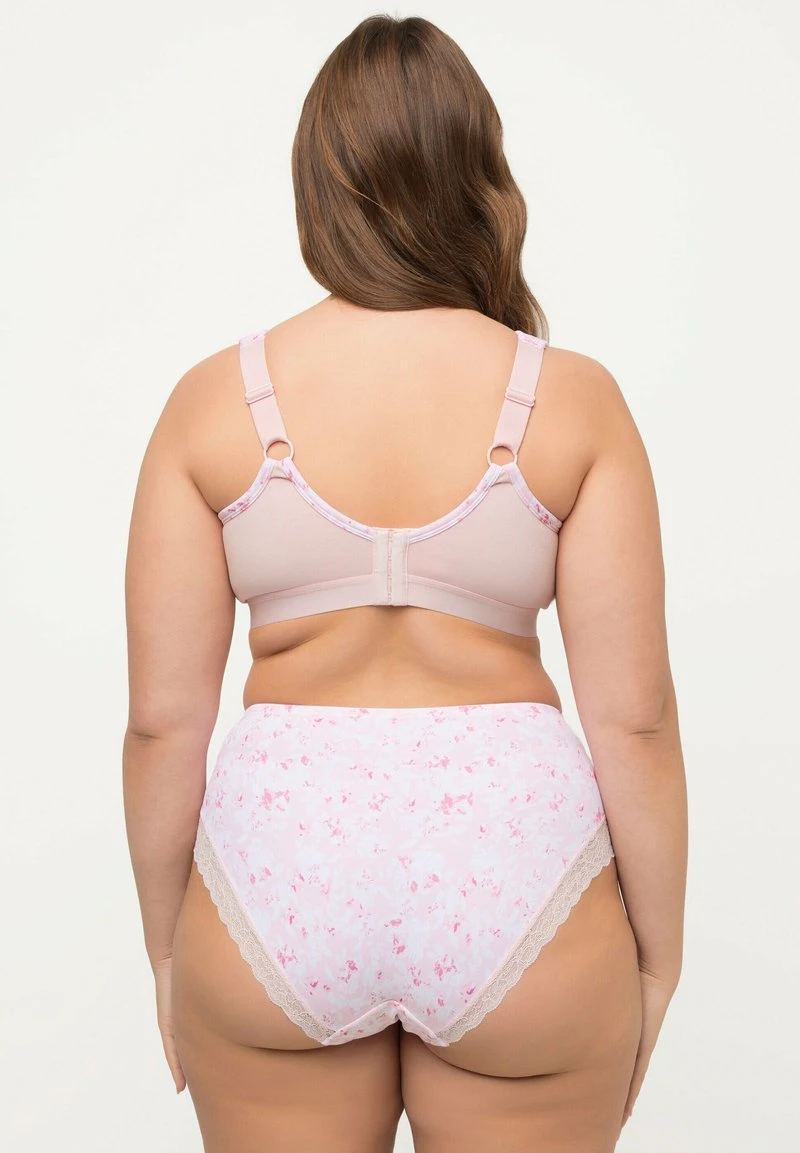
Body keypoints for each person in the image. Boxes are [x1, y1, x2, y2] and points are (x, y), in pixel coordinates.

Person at [123, 13, 687, 1153]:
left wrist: (170, 947)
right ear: (481, 178)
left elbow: (160, 724)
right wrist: (657, 959)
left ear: (316, 186)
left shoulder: (212, 405)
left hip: (280, 875)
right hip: (516, 868)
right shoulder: (571, 400)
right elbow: (632, 720)